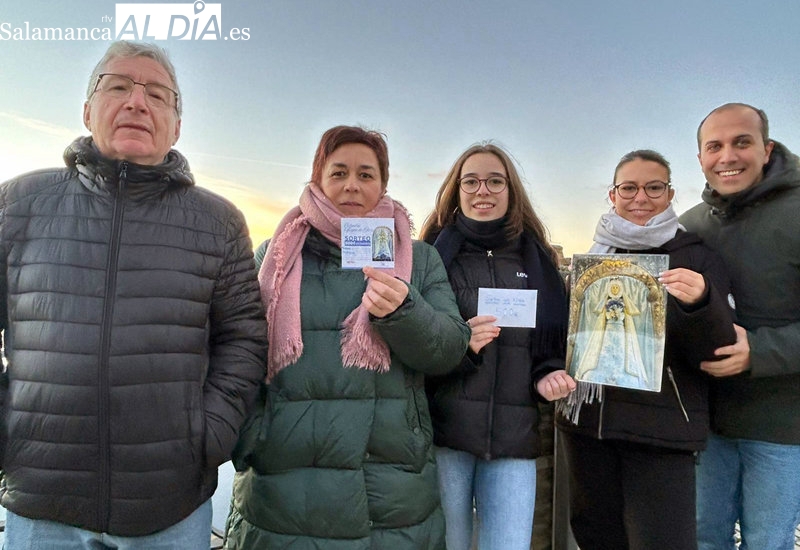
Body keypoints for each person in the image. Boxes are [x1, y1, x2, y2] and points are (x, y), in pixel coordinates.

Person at [0, 41, 268, 548]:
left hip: (167, 504)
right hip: (39, 499)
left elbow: (244, 340)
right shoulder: (18, 204)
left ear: (176, 125)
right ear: (87, 109)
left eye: (158, 95)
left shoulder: (219, 222)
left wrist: (206, 437)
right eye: (118, 86)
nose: (137, 102)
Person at [224, 125, 471, 549]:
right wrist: (252, 436)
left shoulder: (418, 257)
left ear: (383, 184)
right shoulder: (276, 254)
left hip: (391, 484)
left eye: (365, 174)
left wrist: (404, 311)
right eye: (338, 173)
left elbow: (449, 349)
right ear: (317, 179)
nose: (351, 185)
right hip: (285, 480)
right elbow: (238, 350)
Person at [556, 150, 736, 550]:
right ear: (612, 194)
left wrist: (700, 303)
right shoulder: (596, 255)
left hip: (660, 433)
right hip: (587, 425)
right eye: (629, 188)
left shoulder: (697, 256)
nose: (641, 197)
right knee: (596, 538)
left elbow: (721, 351)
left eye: (654, 187)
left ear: (670, 193)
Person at [418, 143, 575, 550]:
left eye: (494, 181)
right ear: (456, 190)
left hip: (513, 439)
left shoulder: (538, 259)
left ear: (510, 190)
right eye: (471, 181)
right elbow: (413, 343)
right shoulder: (431, 258)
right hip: (443, 434)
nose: (482, 190)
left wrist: (548, 374)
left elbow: (550, 342)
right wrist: (461, 346)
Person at [681, 103, 800, 550]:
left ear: (767, 149)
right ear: (701, 159)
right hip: (705, 422)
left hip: (781, 426)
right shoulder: (690, 224)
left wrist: (760, 352)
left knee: (767, 543)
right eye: (715, 146)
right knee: (702, 539)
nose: (727, 156)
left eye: (741, 142)